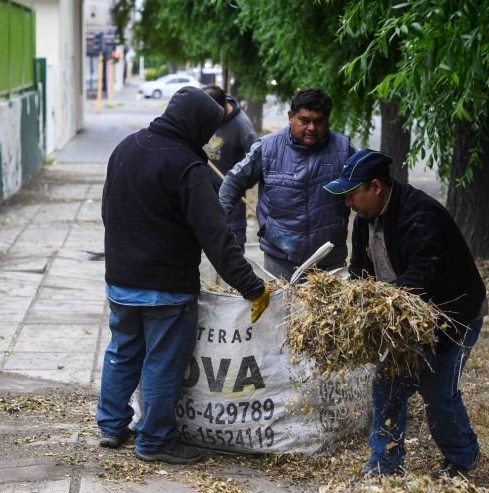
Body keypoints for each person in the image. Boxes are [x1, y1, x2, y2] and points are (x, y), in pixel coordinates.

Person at [97, 86, 270, 465]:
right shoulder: (188, 168)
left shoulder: (126, 148)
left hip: (121, 283)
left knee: (122, 352)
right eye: (207, 131)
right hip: (166, 291)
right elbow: (218, 239)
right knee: (161, 361)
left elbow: (109, 212)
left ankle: (111, 426)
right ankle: (154, 441)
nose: (208, 140)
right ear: (194, 124)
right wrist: (252, 287)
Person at [323, 149, 488, 477]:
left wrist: (375, 307)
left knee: (437, 389)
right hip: (406, 317)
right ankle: (384, 467)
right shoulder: (364, 219)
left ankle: (462, 457)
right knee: (388, 385)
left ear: (376, 187)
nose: (347, 203)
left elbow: (419, 280)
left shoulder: (420, 215)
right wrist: (351, 301)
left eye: (352, 194)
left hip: (451, 315)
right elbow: (359, 269)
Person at [219, 88, 356, 280]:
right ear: (290, 117)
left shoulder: (344, 150)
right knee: (281, 310)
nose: (311, 128)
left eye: (319, 122)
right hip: (279, 261)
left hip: (329, 263)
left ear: (328, 120)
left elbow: (366, 192)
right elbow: (233, 181)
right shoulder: (267, 148)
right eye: (304, 120)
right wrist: (219, 223)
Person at [202, 85, 258, 248]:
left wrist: (239, 184)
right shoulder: (205, 114)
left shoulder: (242, 126)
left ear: (221, 106)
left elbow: (256, 163)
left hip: (232, 198)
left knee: (233, 245)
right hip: (205, 191)